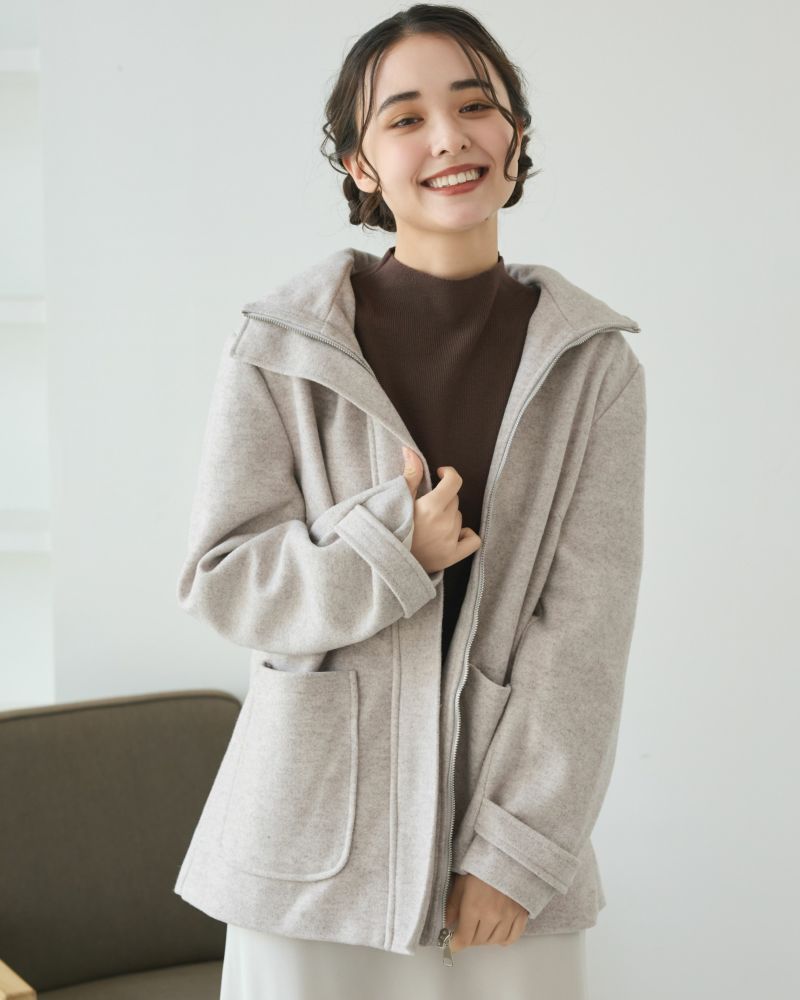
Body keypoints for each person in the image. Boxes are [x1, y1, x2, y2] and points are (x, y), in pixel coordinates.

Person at [173, 5, 646, 999]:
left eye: (474, 106)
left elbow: (585, 634)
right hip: (310, 849)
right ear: (360, 165)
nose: (447, 137)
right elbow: (225, 580)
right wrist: (391, 551)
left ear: (514, 134)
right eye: (404, 118)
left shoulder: (590, 365)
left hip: (498, 859)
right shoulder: (278, 344)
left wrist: (516, 850)